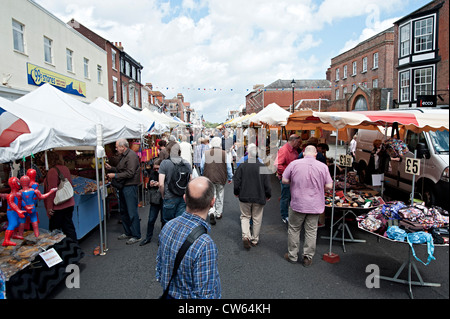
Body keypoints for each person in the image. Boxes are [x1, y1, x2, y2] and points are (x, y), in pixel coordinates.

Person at [156, 176, 221, 299]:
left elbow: (160, 268)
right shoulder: (205, 244)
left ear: (185, 198)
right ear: (212, 202)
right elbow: (206, 294)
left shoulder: (168, 226)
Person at [282, 145, 333, 267]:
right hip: (315, 205)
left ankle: (293, 255)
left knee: (294, 229)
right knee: (311, 231)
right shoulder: (323, 167)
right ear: (316, 154)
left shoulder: (294, 164)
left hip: (298, 203)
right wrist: (321, 187)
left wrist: (293, 182)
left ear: (304, 153)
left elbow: (284, 180)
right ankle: (307, 257)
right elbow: (330, 186)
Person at [233, 144, 271, 249]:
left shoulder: (242, 166)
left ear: (248, 154)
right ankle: (255, 239)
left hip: (244, 195)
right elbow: (267, 184)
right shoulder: (262, 167)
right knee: (257, 218)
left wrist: (236, 192)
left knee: (245, 216)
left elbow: (237, 182)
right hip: (259, 196)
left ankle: (246, 236)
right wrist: (268, 194)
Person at [106, 139, 141, 245]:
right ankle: (128, 232)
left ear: (123, 147)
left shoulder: (131, 156)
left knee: (131, 211)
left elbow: (129, 173)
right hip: (124, 185)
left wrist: (115, 175)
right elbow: (122, 170)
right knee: (124, 210)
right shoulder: (125, 155)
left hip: (129, 186)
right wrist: (111, 168)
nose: (116, 149)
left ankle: (136, 235)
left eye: (117, 147)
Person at [44, 151, 78, 242]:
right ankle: (74, 248)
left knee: (55, 231)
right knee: (69, 228)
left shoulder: (52, 171)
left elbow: (52, 190)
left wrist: (49, 206)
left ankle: (59, 251)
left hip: (59, 206)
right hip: (69, 202)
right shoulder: (65, 168)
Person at [200, 136, 233, 225]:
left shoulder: (206, 153)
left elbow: (202, 165)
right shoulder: (224, 153)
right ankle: (218, 213)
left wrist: (203, 174)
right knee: (220, 195)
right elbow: (229, 167)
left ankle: (211, 212)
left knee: (211, 195)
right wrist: (230, 177)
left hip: (209, 177)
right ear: (219, 144)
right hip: (221, 177)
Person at [159, 143, 192, 225]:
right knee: (180, 223)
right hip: (182, 196)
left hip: (169, 196)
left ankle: (168, 237)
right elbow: (191, 180)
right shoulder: (186, 163)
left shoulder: (165, 163)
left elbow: (161, 184)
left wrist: (163, 195)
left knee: (168, 223)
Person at [276, 134, 301, 224]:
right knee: (285, 197)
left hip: (292, 178)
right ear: (294, 141)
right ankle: (285, 216)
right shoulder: (284, 150)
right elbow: (278, 165)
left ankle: (290, 215)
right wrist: (288, 175)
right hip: (287, 179)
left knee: (291, 197)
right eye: (298, 142)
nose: (299, 144)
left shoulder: (293, 150)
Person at [141, 158, 163, 246]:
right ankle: (148, 237)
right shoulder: (153, 173)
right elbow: (148, 185)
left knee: (163, 220)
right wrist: (150, 184)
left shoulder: (165, 173)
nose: (156, 170)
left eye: (158, 168)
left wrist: (159, 184)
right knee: (151, 220)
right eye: (155, 168)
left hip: (163, 198)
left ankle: (161, 239)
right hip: (155, 199)